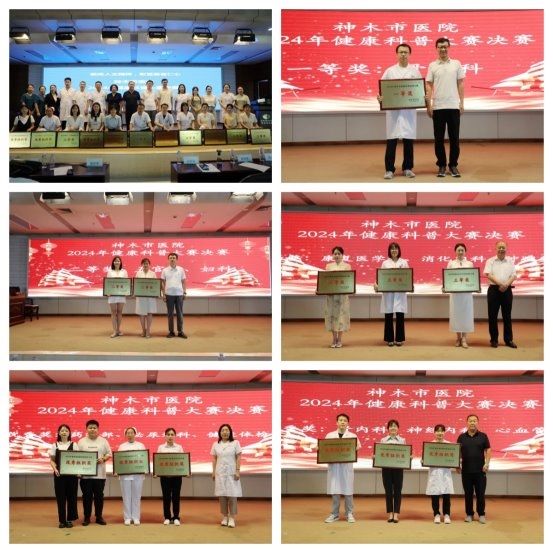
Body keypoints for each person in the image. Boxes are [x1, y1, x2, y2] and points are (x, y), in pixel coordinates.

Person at [378, 44, 422, 179]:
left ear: (410, 54)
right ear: (396, 54)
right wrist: (381, 98)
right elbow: (383, 89)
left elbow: (419, 90)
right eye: (401, 52)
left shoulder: (415, 71)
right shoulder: (390, 71)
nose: (403, 54)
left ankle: (408, 168)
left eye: (406, 52)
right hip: (394, 113)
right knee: (392, 140)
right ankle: (389, 169)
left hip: (408, 112)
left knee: (408, 141)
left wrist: (423, 98)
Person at [425, 37, 465, 177]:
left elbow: (460, 83)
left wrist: (462, 102)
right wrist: (428, 105)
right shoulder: (432, 65)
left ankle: (453, 165)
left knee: (454, 138)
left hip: (453, 106)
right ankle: (441, 165)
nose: (443, 49)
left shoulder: (456, 64)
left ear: (449, 47)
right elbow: (429, 85)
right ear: (436, 48)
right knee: (439, 139)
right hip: (438, 107)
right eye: (440, 47)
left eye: (445, 46)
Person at [323, 413, 361, 523]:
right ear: (337, 422)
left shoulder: (352, 436)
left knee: (348, 491)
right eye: (340, 420)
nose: (343, 422)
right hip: (334, 467)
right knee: (335, 491)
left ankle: (349, 514)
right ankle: (334, 514)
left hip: (346, 467)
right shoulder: (330, 435)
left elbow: (357, 447)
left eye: (345, 420)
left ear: (347, 423)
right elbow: (324, 449)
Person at [456, 414, 491, 524]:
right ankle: (469, 514)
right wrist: (457, 465)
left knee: (480, 494)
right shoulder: (461, 437)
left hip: (480, 471)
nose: (472, 423)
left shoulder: (483, 436)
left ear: (477, 422)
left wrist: (487, 463)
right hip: (466, 471)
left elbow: (488, 450)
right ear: (467, 422)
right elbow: (457, 452)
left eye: (474, 421)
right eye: (470, 421)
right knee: (468, 494)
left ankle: (481, 514)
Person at [77, 419, 112, 526]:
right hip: (85, 476)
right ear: (86, 429)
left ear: (98, 429)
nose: (92, 429)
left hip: (100, 476)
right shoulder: (81, 442)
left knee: (99, 497)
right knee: (86, 497)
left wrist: (103, 459)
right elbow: (77, 456)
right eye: (90, 427)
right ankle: (87, 517)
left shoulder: (103, 441)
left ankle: (99, 517)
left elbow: (109, 454)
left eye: (94, 428)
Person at [484, 240, 518, 348]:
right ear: (496, 248)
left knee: (507, 316)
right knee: (492, 316)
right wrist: (500, 284)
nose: (501, 249)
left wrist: (506, 284)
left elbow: (513, 275)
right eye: (499, 247)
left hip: (507, 290)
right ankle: (494, 340)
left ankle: (508, 340)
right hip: (494, 290)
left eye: (503, 247)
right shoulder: (490, 261)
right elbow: (489, 274)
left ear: (506, 249)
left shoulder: (510, 261)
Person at [375, 242, 409, 346]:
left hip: (400, 293)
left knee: (400, 316)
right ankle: (389, 339)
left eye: (396, 248)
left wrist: (409, 285)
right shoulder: (385, 263)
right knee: (388, 316)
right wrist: (377, 284)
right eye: (392, 248)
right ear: (389, 251)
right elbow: (381, 278)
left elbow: (408, 276)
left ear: (399, 250)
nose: (394, 250)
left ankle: (399, 338)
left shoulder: (404, 262)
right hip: (388, 293)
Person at [211, 424, 242, 528]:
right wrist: (213, 472)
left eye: (227, 430)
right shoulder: (216, 444)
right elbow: (214, 458)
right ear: (220, 432)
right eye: (223, 430)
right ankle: (225, 516)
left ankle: (232, 518)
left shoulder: (235, 443)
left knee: (232, 495)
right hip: (220, 473)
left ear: (230, 432)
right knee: (222, 496)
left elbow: (238, 457)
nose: (225, 432)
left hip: (231, 472)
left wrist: (238, 470)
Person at [444, 242, 474, 348]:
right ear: (455, 252)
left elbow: (472, 278)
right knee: (456, 315)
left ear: (465, 252)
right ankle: (458, 338)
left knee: (466, 315)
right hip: (455, 295)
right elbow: (447, 278)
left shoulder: (470, 264)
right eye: (458, 250)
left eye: (462, 250)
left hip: (466, 295)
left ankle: (464, 338)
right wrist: (445, 287)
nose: (460, 252)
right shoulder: (451, 263)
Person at [49, 424, 79, 528]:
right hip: (59, 476)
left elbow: (78, 459)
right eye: (62, 430)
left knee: (72, 497)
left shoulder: (74, 445)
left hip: (72, 476)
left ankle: (70, 520)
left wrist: (78, 471)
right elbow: (52, 460)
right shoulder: (55, 445)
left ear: (69, 433)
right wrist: (55, 469)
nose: (64, 432)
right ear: (59, 433)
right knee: (60, 498)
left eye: (66, 430)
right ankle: (62, 520)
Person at [116, 427, 146, 525]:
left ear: (135, 434)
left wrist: (145, 468)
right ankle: (127, 517)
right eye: (127, 433)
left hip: (137, 475)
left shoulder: (141, 446)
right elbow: (118, 460)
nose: (129, 434)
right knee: (126, 497)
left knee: (137, 497)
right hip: (125, 476)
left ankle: (136, 517)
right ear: (125, 435)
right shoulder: (122, 446)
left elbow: (144, 459)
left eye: (131, 432)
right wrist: (117, 470)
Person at [425, 424, 454, 524]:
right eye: (437, 431)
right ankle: (436, 514)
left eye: (442, 431)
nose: (440, 433)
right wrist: (423, 460)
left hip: (445, 474)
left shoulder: (449, 445)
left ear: (444, 432)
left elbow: (453, 459)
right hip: (434, 474)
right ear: (434, 433)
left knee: (446, 496)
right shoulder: (430, 445)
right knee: (435, 495)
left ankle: (447, 515)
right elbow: (425, 459)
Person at [157, 427, 186, 525]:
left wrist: (186, 471)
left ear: (175, 436)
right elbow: (158, 461)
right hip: (165, 477)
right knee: (166, 497)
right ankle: (167, 517)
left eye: (172, 434)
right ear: (165, 436)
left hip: (177, 477)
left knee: (176, 497)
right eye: (168, 434)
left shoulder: (179, 447)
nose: (170, 436)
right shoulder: (161, 448)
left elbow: (183, 461)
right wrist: (156, 472)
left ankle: (176, 517)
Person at [323, 246, 351, 348]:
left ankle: (339, 339)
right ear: (332, 255)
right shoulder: (328, 266)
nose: (337, 255)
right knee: (332, 317)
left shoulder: (347, 266)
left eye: (339, 253)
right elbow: (325, 281)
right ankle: (334, 339)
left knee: (341, 317)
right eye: (335, 253)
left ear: (342, 255)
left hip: (342, 297)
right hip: (331, 296)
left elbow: (349, 281)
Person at [379, 419, 405, 522]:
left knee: (398, 491)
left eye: (395, 426)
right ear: (388, 428)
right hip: (386, 469)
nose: (393, 428)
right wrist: (376, 457)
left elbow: (405, 455)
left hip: (398, 469)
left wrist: (409, 457)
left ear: (398, 428)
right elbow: (380, 454)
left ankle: (396, 514)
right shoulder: (383, 440)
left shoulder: (402, 441)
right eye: (391, 426)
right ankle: (390, 513)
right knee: (388, 491)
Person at [161, 252, 187, 339]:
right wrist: (163, 294)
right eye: (171, 258)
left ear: (176, 259)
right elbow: (162, 283)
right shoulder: (165, 270)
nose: (172, 259)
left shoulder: (181, 269)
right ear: (168, 259)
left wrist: (184, 292)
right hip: (169, 295)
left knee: (180, 313)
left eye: (174, 258)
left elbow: (183, 282)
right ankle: (171, 331)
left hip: (179, 294)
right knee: (170, 314)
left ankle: (180, 331)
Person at [106, 256, 128, 338]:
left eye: (118, 261)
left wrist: (126, 292)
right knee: (113, 312)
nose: (117, 262)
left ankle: (118, 329)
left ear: (120, 262)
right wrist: (107, 292)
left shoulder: (124, 272)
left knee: (119, 312)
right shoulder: (110, 272)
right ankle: (114, 330)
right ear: (113, 262)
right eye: (115, 261)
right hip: (112, 295)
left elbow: (126, 283)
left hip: (121, 295)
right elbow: (108, 283)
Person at [135, 258, 157, 338]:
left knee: (149, 313)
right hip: (141, 297)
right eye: (144, 263)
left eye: (147, 263)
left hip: (150, 297)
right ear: (142, 264)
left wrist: (156, 293)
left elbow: (156, 285)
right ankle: (143, 330)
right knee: (141, 313)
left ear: (149, 264)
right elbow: (136, 284)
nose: (145, 265)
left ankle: (148, 330)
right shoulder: (138, 273)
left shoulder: (153, 273)